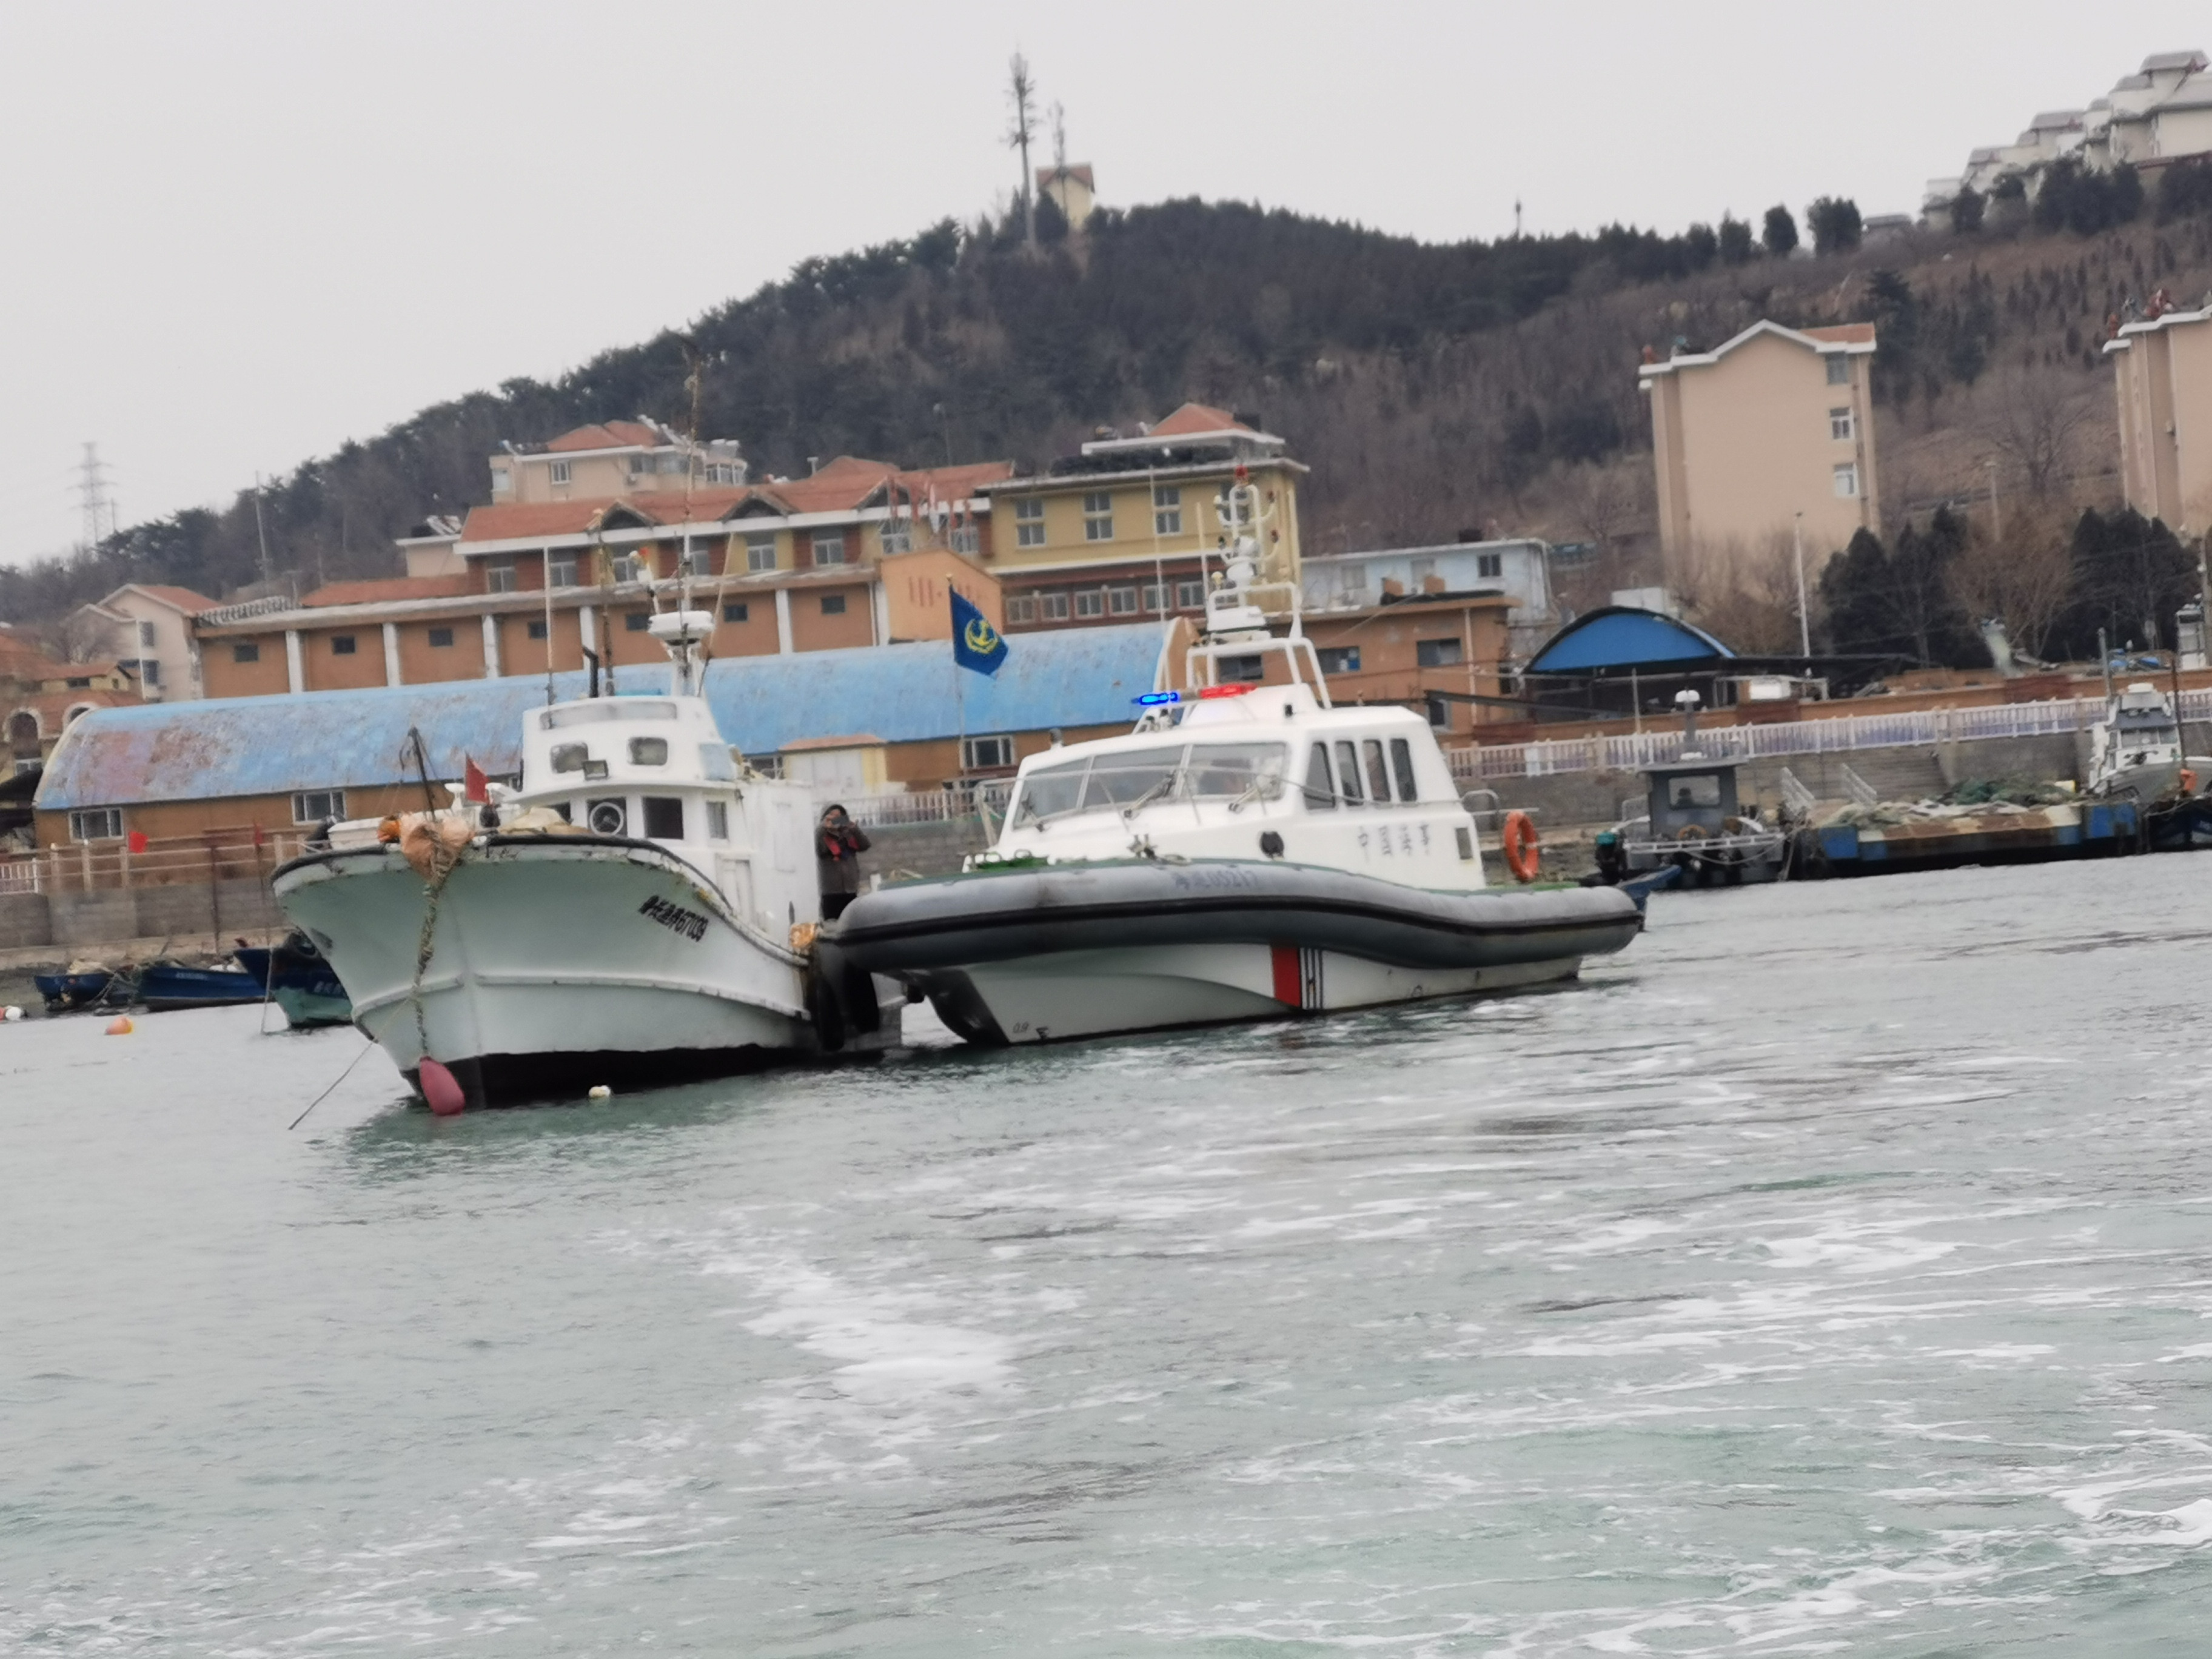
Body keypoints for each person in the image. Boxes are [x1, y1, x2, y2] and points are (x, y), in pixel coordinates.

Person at [816, 803, 871, 920]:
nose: (835, 820)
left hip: (851, 889)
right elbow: (819, 850)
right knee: (833, 923)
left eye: (839, 817)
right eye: (832, 816)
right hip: (831, 891)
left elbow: (865, 845)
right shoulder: (821, 834)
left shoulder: (848, 833)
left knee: (852, 921)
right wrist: (824, 827)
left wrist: (854, 829)